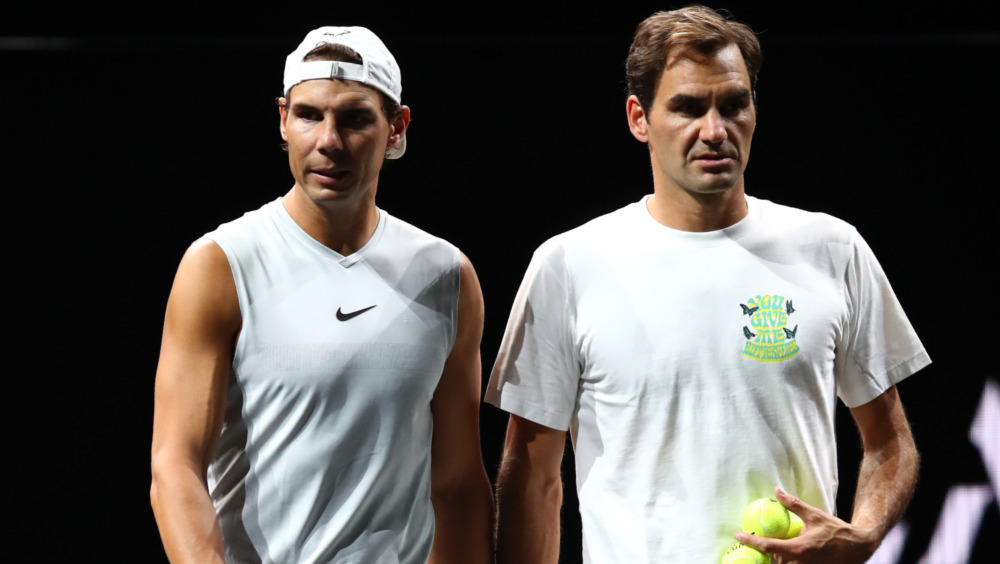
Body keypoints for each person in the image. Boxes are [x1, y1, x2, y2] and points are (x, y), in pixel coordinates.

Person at [485, 5, 928, 563]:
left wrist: (861, 535)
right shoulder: (569, 264)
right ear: (638, 118)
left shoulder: (833, 248)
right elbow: (532, 476)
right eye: (688, 108)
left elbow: (891, 443)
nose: (715, 131)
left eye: (734, 104)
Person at [150, 26, 493, 563]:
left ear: (397, 128)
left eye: (354, 118)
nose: (328, 140)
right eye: (309, 115)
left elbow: (459, 485)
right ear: (283, 120)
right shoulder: (221, 263)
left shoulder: (445, 276)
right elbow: (174, 465)